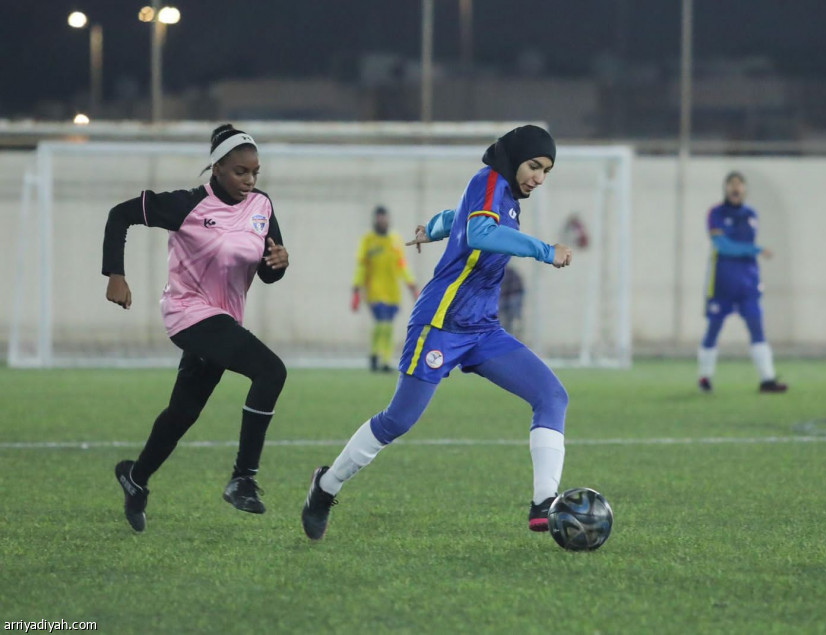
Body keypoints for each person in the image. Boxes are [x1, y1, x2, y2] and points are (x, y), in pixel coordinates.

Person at [302, 125, 573, 540]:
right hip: (441, 323)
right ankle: (325, 486)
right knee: (398, 420)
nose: (538, 178)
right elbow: (480, 231)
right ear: (514, 158)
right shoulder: (490, 180)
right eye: (534, 166)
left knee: (552, 396)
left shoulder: (505, 196)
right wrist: (545, 250)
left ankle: (544, 504)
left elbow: (461, 217)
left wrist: (434, 227)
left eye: (546, 172)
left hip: (483, 329)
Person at [102, 124, 290, 532]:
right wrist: (115, 273)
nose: (250, 180)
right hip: (187, 312)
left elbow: (268, 271)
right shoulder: (187, 205)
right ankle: (243, 478)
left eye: (255, 172)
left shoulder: (262, 205)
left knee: (183, 413)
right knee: (271, 371)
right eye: (240, 171)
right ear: (217, 168)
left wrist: (280, 263)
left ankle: (135, 477)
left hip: (223, 320)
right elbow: (120, 215)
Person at [698, 171, 787, 394]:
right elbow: (723, 246)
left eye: (739, 184)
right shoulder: (716, 213)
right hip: (722, 282)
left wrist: (752, 252)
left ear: (745, 189)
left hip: (748, 283)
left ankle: (767, 379)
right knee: (714, 328)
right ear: (725, 188)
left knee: (757, 329)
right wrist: (756, 249)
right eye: (731, 184)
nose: (735, 188)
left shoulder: (751, 214)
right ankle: (705, 377)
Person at [351, 206, 419, 372]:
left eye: (384, 218)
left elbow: (402, 264)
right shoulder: (368, 240)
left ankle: (384, 360)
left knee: (388, 326)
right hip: (374, 290)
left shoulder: (395, 239)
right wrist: (356, 289)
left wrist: (411, 285)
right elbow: (362, 266)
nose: (382, 221)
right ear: (375, 219)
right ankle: (377, 355)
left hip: (393, 291)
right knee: (382, 323)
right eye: (379, 218)